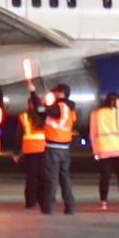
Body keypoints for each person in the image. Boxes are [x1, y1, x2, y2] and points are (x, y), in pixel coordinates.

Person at [89, 92, 119, 209]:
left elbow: (92, 134)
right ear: (114, 101)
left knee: (105, 177)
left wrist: (95, 150)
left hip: (104, 149)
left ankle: (103, 202)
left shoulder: (96, 114)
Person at [38, 85, 77, 215]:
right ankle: (70, 206)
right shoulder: (70, 110)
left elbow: (40, 109)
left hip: (53, 148)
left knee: (51, 178)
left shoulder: (59, 108)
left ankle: (49, 207)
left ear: (61, 93)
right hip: (65, 148)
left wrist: (33, 93)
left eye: (55, 93)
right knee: (65, 178)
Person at [16, 94, 48, 209]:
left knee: (31, 177)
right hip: (43, 149)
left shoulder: (23, 116)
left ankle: (30, 202)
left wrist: (16, 152)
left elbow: (19, 135)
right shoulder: (45, 117)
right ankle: (43, 200)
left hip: (29, 149)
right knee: (42, 176)